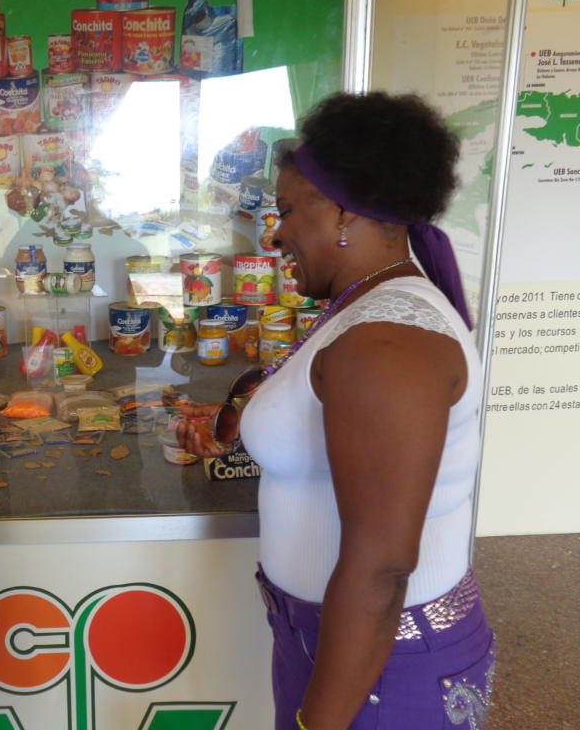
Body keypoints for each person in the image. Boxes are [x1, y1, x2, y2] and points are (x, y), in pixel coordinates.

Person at [177, 92, 495, 730]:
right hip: (341, 647)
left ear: (343, 211)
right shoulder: (364, 308)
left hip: (382, 668)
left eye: (288, 210)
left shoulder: (386, 342)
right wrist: (247, 420)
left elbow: (381, 569)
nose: (276, 233)